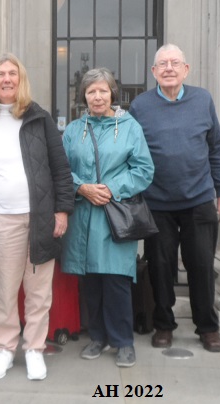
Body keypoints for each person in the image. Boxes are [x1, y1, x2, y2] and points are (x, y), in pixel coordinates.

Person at [0, 53, 73, 381]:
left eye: (13, 74)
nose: (7, 79)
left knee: (38, 290)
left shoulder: (38, 118)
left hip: (38, 218)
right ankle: (5, 349)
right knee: (4, 290)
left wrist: (61, 209)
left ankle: (34, 348)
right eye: (0, 74)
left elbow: (60, 167)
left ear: (21, 80)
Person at [129, 44, 220, 352]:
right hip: (156, 202)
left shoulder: (203, 100)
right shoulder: (140, 106)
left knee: (201, 265)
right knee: (160, 267)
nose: (169, 68)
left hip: (199, 198)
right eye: (163, 64)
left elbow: (216, 146)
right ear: (154, 72)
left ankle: (207, 327)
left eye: (175, 63)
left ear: (186, 69)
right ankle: (164, 324)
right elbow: (131, 152)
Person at [61, 68, 154, 368]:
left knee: (116, 280)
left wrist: (111, 189)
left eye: (103, 91)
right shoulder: (75, 129)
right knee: (90, 281)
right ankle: (97, 337)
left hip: (115, 216)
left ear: (113, 93)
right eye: (91, 92)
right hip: (82, 215)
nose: (97, 96)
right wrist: (82, 188)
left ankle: (123, 341)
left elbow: (143, 170)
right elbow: (62, 170)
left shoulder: (130, 127)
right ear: (83, 96)